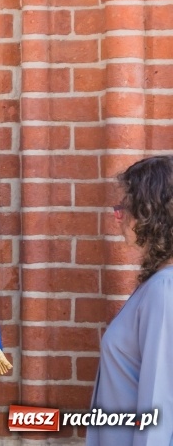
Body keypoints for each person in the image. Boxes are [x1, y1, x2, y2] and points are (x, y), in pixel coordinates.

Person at [87, 155, 173, 445]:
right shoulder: (159, 284)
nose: (118, 215)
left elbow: (158, 407)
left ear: (152, 212)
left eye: (125, 207)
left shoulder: (164, 289)